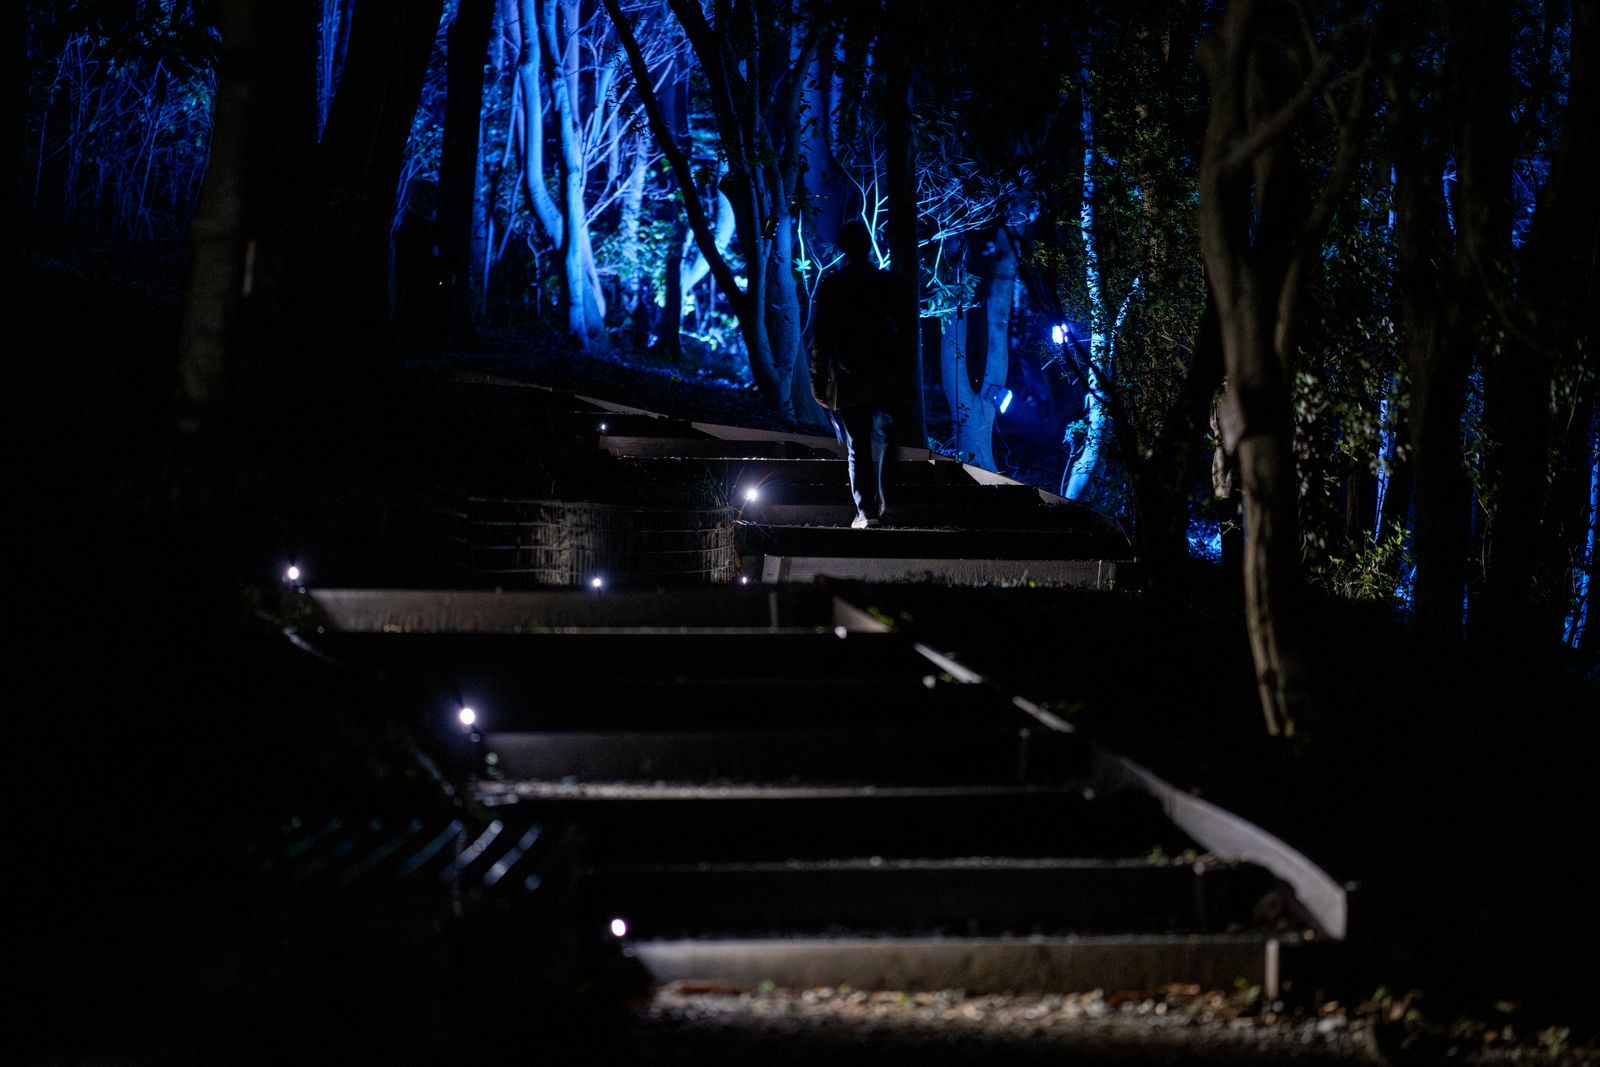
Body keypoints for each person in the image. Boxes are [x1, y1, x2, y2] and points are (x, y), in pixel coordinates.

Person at [810, 219, 903, 529]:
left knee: (858, 444)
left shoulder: (834, 286)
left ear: (844, 249)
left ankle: (867, 513)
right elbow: (902, 330)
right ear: (867, 245)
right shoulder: (887, 282)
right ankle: (887, 505)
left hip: (849, 376)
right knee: (887, 440)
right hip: (885, 372)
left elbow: (821, 336)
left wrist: (818, 379)